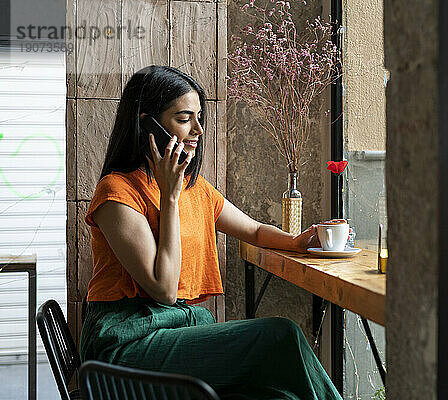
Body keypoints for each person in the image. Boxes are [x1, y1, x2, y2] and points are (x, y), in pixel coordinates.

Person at [79, 65, 342, 400]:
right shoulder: (116, 193)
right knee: (280, 335)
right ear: (148, 125)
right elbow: (163, 289)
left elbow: (255, 230)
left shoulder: (195, 188)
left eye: (199, 117)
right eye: (185, 118)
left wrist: (300, 241)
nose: (199, 130)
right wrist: (169, 196)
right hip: (125, 346)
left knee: (280, 394)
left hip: (175, 329)